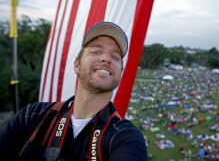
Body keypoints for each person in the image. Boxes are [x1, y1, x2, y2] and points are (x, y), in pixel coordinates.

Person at [0, 22, 148, 161]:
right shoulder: (31, 116)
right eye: (96, 51)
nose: (106, 59)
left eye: (115, 57)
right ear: (77, 65)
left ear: (120, 74)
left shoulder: (125, 137)